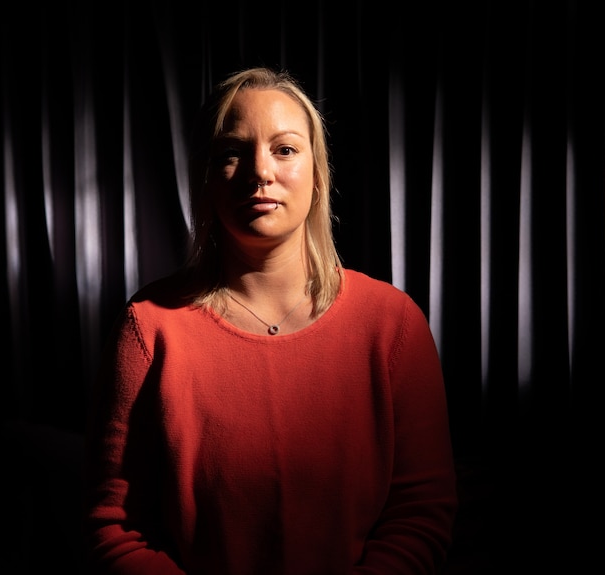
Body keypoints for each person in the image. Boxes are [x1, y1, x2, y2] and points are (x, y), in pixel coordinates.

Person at [83, 66, 458, 575]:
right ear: (209, 178)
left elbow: (420, 517)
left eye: (285, 149)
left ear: (318, 174)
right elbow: (114, 525)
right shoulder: (149, 328)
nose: (260, 171)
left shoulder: (393, 325)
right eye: (232, 151)